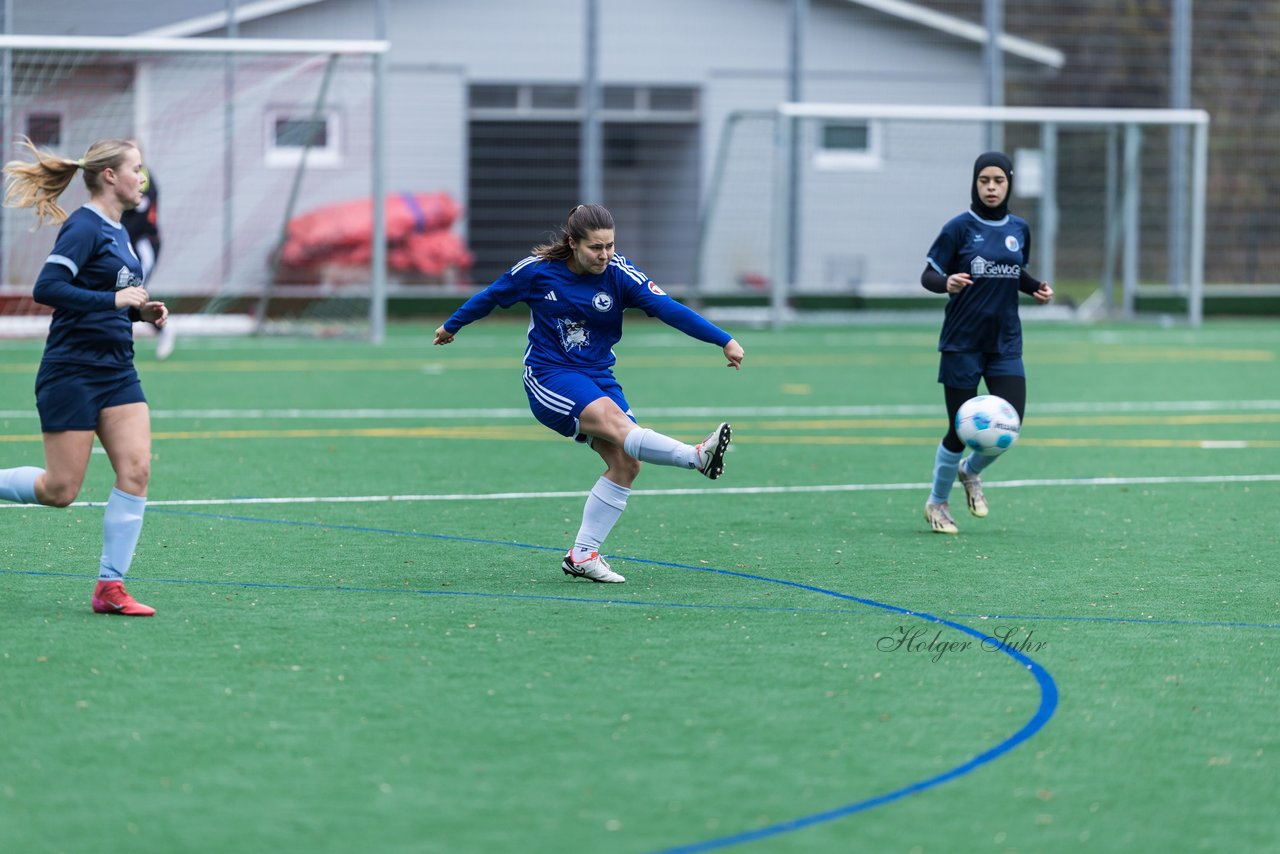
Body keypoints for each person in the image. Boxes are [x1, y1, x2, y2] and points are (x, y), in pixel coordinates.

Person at [433, 203, 745, 583]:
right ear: (573, 243)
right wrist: (452, 325)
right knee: (617, 426)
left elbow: (668, 309)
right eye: (596, 247)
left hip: (598, 375)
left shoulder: (619, 274)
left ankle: (582, 555)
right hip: (550, 376)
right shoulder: (536, 272)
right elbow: (492, 296)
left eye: (610, 245)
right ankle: (696, 457)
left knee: (627, 463)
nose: (605, 255)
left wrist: (723, 340)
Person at [0, 136, 169, 615]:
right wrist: (114, 301)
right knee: (61, 490)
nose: (143, 177)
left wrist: (141, 312)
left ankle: (109, 589)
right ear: (110, 176)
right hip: (71, 371)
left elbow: (109, 299)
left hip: (117, 370)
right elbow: (47, 287)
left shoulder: (119, 232)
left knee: (137, 469)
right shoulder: (84, 226)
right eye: (136, 168)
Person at [919, 151, 1053, 534]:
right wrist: (946, 282)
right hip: (962, 343)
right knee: (960, 430)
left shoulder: (1019, 228)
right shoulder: (959, 228)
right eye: (984, 181)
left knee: (1010, 424)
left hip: (1005, 343)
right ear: (975, 183)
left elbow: (1012, 271)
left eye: (998, 180)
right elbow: (929, 275)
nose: (991, 187)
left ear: (1009, 183)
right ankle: (937, 503)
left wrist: (1035, 288)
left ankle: (970, 472)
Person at [121, 164, 175, 360]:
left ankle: (164, 329)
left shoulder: (143, 183)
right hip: (125, 244)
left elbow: (136, 219)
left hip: (143, 245)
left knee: (135, 291)